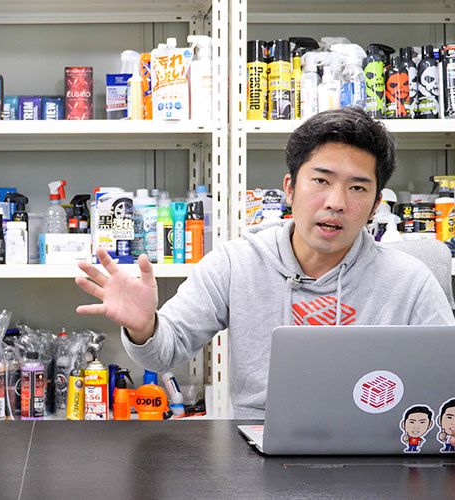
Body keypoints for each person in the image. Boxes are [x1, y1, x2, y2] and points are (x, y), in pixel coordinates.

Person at [74, 107, 455, 418]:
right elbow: (163, 352)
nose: (336, 202)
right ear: (290, 188)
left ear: (375, 206)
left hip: (373, 449)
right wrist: (144, 327)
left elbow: (447, 379)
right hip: (257, 449)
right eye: (321, 181)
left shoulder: (410, 280)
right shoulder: (236, 263)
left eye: (357, 188)